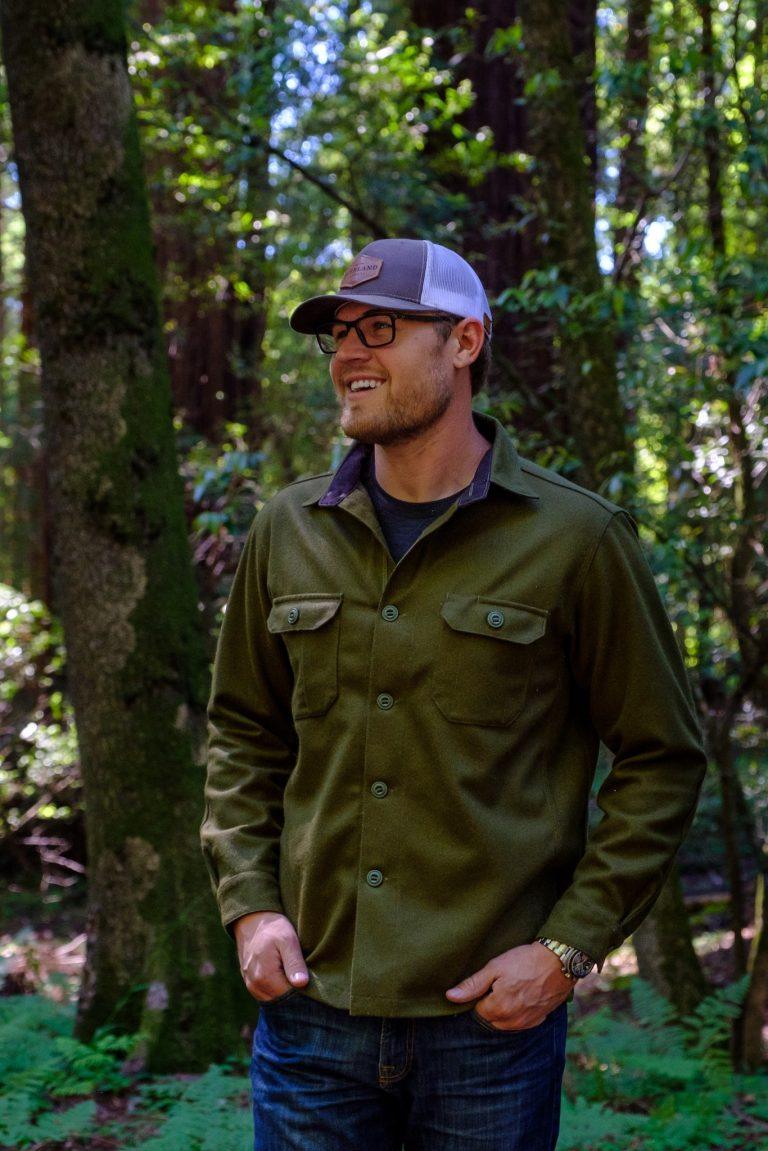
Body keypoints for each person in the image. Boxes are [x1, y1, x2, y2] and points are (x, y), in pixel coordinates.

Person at [201, 237, 706, 1150]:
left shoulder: (577, 539)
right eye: (339, 335)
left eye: (380, 330)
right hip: (312, 1010)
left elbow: (663, 757)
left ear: (465, 342)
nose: (349, 355)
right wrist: (251, 905)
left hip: (489, 1028)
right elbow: (244, 732)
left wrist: (567, 948)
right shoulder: (288, 529)